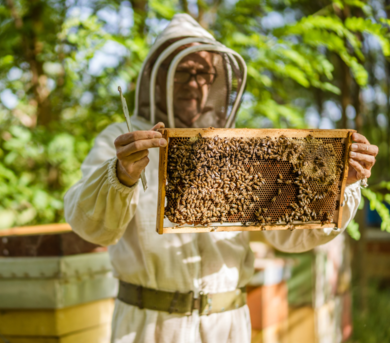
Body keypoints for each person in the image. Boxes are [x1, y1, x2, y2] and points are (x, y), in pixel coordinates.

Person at [64, 14, 378, 343]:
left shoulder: (241, 147)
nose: (194, 82)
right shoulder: (123, 137)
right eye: (183, 71)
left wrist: (338, 185)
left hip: (226, 327)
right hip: (147, 327)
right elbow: (90, 225)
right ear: (158, 78)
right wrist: (121, 174)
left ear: (218, 83)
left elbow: (290, 236)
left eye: (204, 73)